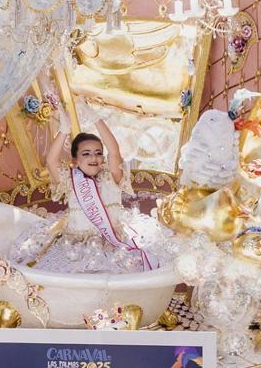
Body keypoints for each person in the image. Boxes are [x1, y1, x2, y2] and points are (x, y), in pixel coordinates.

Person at [11, 105, 158, 274]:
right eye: (86, 154)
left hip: (110, 246)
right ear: (75, 160)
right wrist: (64, 131)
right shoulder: (70, 179)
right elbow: (51, 161)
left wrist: (95, 118)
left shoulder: (111, 177)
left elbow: (114, 150)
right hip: (75, 247)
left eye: (98, 153)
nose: (93, 157)